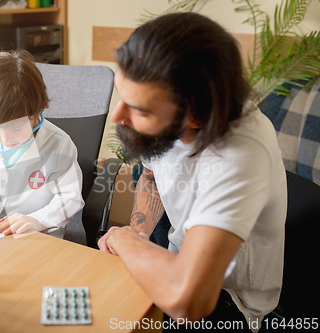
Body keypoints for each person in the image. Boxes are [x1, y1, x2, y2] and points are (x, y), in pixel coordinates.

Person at [98, 12, 286, 332]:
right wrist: (140, 233)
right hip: (175, 260)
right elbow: (151, 175)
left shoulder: (240, 155)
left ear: (196, 116)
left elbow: (188, 302)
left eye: (139, 109)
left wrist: (128, 241)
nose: (117, 116)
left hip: (229, 300)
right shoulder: (174, 118)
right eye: (121, 96)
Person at [0, 50, 84, 238]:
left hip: (37, 237)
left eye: (16, 128)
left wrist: (37, 220)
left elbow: (70, 198)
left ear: (39, 109)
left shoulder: (59, 145)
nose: (4, 139)